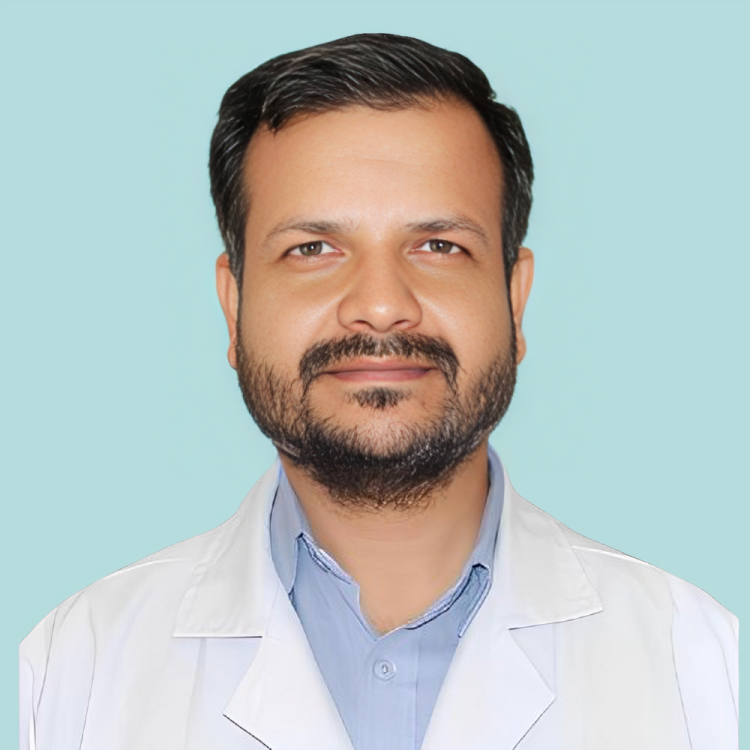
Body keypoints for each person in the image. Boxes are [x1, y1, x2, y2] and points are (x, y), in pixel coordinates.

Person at [19, 33, 738, 750]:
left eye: (439, 246)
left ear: (515, 301)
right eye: (312, 249)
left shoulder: (702, 661)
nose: (382, 304)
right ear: (233, 307)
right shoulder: (72, 667)